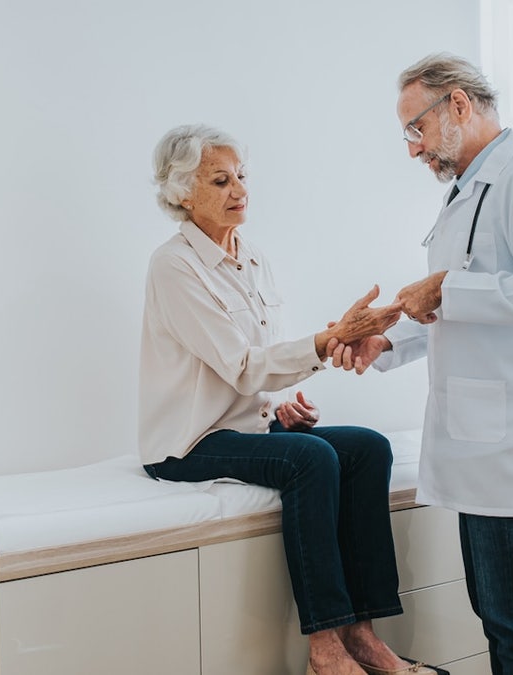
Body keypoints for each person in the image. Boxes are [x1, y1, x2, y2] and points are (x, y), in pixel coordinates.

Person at [138, 124, 438, 675]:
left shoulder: (250, 258)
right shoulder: (174, 266)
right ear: (183, 194)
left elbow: (258, 367)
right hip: (188, 442)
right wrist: (328, 340)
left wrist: (278, 407)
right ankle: (324, 651)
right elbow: (242, 365)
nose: (239, 190)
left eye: (242, 176)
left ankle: (363, 635)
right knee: (312, 458)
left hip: (246, 429)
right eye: (221, 180)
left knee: (368, 449)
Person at [329, 54, 513, 674]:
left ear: (458, 104)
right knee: (497, 611)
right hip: (480, 444)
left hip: (512, 448)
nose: (413, 148)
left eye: (415, 129)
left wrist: (447, 288)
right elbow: (456, 314)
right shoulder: (464, 195)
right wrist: (386, 343)